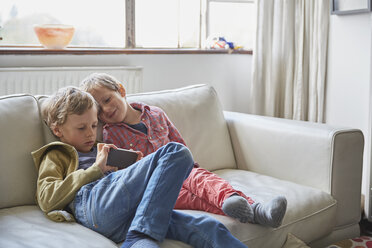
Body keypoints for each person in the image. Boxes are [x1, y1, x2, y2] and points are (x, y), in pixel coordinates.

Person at [32, 86, 248, 248]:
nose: (90, 133)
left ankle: (141, 235)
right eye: (81, 128)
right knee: (176, 152)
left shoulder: (103, 148)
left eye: (94, 125)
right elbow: (47, 198)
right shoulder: (56, 154)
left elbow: (123, 187)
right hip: (91, 206)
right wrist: (96, 169)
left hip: (126, 217)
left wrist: (134, 170)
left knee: (208, 227)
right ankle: (142, 232)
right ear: (58, 130)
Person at [80, 73, 287, 228]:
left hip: (184, 170)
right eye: (99, 110)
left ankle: (258, 210)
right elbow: (123, 175)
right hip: (157, 184)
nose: (106, 110)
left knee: (203, 181)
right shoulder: (110, 135)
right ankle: (255, 212)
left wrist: (192, 170)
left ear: (121, 90)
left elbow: (180, 146)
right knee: (198, 200)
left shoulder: (156, 114)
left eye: (107, 100)